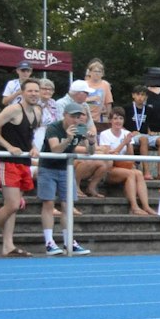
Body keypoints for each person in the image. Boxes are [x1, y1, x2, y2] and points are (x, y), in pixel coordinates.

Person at [0, 78, 46, 256]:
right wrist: (8, 146)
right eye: (30, 91)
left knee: (14, 206)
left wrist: (32, 147)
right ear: (23, 92)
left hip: (22, 161)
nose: (33, 94)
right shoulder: (14, 109)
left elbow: (28, 134)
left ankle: (8, 245)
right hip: (7, 160)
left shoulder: (38, 112)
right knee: (13, 204)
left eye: (36, 91)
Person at [36, 100, 96, 254]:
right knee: (48, 203)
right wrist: (69, 139)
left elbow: (90, 152)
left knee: (67, 205)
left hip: (66, 169)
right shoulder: (53, 127)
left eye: (79, 117)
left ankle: (69, 241)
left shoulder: (81, 129)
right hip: (48, 167)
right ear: (65, 116)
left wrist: (91, 141)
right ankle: (49, 241)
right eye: (73, 116)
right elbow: (55, 150)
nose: (76, 120)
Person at [93, 109, 156, 214]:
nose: (118, 121)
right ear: (111, 120)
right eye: (115, 118)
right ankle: (134, 206)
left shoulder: (126, 133)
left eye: (121, 118)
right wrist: (124, 143)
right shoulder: (105, 134)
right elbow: (109, 154)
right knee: (131, 174)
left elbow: (130, 156)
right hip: (110, 168)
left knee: (139, 173)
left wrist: (128, 144)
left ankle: (146, 206)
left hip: (123, 165)